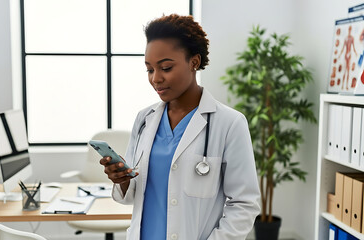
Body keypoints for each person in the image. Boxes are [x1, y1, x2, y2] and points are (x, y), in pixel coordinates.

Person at [99, 14, 260, 240]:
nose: (156, 78)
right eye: (149, 69)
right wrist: (123, 180)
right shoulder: (144, 119)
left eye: (165, 67)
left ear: (194, 62)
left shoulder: (229, 124)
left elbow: (244, 203)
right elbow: (131, 196)